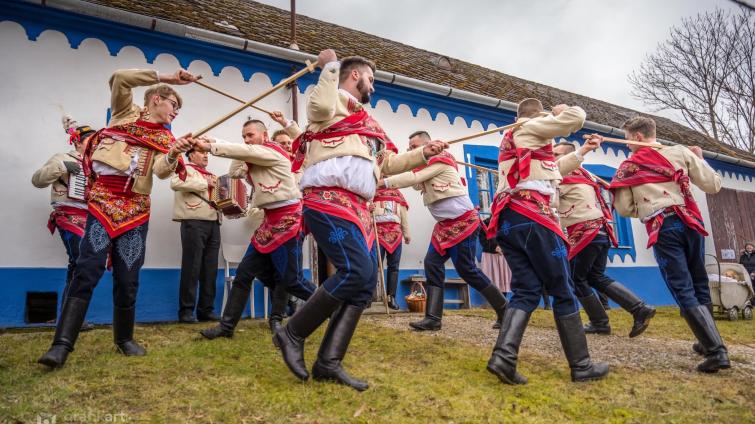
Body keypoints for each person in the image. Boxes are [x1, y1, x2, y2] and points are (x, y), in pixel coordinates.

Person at [273, 49, 447, 391]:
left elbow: (386, 164)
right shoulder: (331, 103)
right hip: (327, 200)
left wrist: (424, 153)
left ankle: (328, 362)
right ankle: (292, 333)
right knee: (357, 272)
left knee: (364, 284)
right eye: (371, 79)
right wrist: (331, 66)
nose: (374, 86)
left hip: (357, 208)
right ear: (356, 76)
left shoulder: (368, 126)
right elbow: (318, 107)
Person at [38, 67, 197, 368]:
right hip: (102, 203)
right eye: (174, 104)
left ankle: (124, 338)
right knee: (87, 269)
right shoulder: (124, 114)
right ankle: (61, 345)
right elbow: (120, 78)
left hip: (136, 210)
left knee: (129, 276)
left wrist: (175, 153)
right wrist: (169, 77)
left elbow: (163, 171)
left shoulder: (165, 138)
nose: (176, 112)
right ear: (157, 99)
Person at [485, 98, 608, 385]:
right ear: (538, 117)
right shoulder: (531, 126)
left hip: (510, 221)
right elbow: (576, 118)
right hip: (534, 218)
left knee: (526, 289)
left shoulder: (519, 140)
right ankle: (581, 365)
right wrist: (562, 112)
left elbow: (553, 170)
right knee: (563, 289)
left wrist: (583, 151)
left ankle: (503, 358)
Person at [609, 116, 727, 373]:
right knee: (699, 283)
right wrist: (700, 158)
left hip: (664, 227)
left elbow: (624, 208)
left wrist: (648, 203)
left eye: (628, 140)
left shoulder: (629, 167)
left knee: (682, 288)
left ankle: (717, 352)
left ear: (638, 137)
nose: (627, 146)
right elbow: (713, 185)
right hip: (692, 223)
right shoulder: (681, 153)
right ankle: (708, 343)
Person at [194, 116, 316, 340]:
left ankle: (334, 305)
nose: (247, 140)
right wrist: (232, 147)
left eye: (251, 135)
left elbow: (247, 153)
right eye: (244, 137)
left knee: (292, 281)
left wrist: (211, 145)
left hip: (289, 219)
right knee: (244, 274)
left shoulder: (272, 152)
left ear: (265, 136)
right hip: (269, 221)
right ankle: (227, 327)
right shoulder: (253, 158)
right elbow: (235, 170)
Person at [381, 131, 508, 330]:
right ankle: (433, 319)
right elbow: (417, 183)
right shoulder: (427, 164)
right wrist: (416, 159)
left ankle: (504, 309)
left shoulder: (441, 161)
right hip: (445, 226)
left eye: (414, 147)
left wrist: (383, 182)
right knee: (432, 263)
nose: (411, 151)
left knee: (467, 270)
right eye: (410, 148)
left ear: (428, 144)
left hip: (463, 221)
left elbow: (414, 178)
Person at [553, 141, 656, 337]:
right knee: (595, 277)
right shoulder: (585, 175)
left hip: (585, 232)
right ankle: (638, 308)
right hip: (601, 232)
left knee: (576, 278)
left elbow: (554, 203)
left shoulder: (562, 175)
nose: (552, 157)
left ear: (567, 156)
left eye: (556, 154)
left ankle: (600, 322)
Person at [31, 115, 97, 330]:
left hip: (90, 217)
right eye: (90, 140)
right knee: (80, 261)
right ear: (78, 142)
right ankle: (71, 320)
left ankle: (70, 319)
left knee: (80, 264)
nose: (95, 145)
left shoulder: (97, 164)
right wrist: (62, 167)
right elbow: (37, 180)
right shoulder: (62, 157)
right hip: (68, 214)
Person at [171, 146, 222, 323]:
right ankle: (186, 312)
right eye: (202, 152)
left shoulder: (212, 174)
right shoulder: (185, 169)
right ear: (191, 154)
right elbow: (175, 183)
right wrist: (204, 184)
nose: (206, 155)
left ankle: (206, 310)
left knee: (210, 269)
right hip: (193, 221)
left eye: (207, 153)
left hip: (213, 222)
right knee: (191, 267)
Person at [373, 183, 410, 310]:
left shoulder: (398, 195)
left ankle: (391, 297)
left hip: (396, 234)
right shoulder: (372, 191)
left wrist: (406, 234)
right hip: (377, 233)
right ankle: (367, 298)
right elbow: (363, 208)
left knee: (394, 267)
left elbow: (403, 215)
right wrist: (368, 207)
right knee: (374, 266)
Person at [479, 215, 512, 328]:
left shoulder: (507, 221)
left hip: (503, 255)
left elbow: (511, 237)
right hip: (490, 256)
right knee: (492, 282)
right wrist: (494, 246)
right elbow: (483, 240)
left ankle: (503, 311)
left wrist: (503, 247)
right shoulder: (485, 223)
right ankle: (500, 311)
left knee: (503, 281)